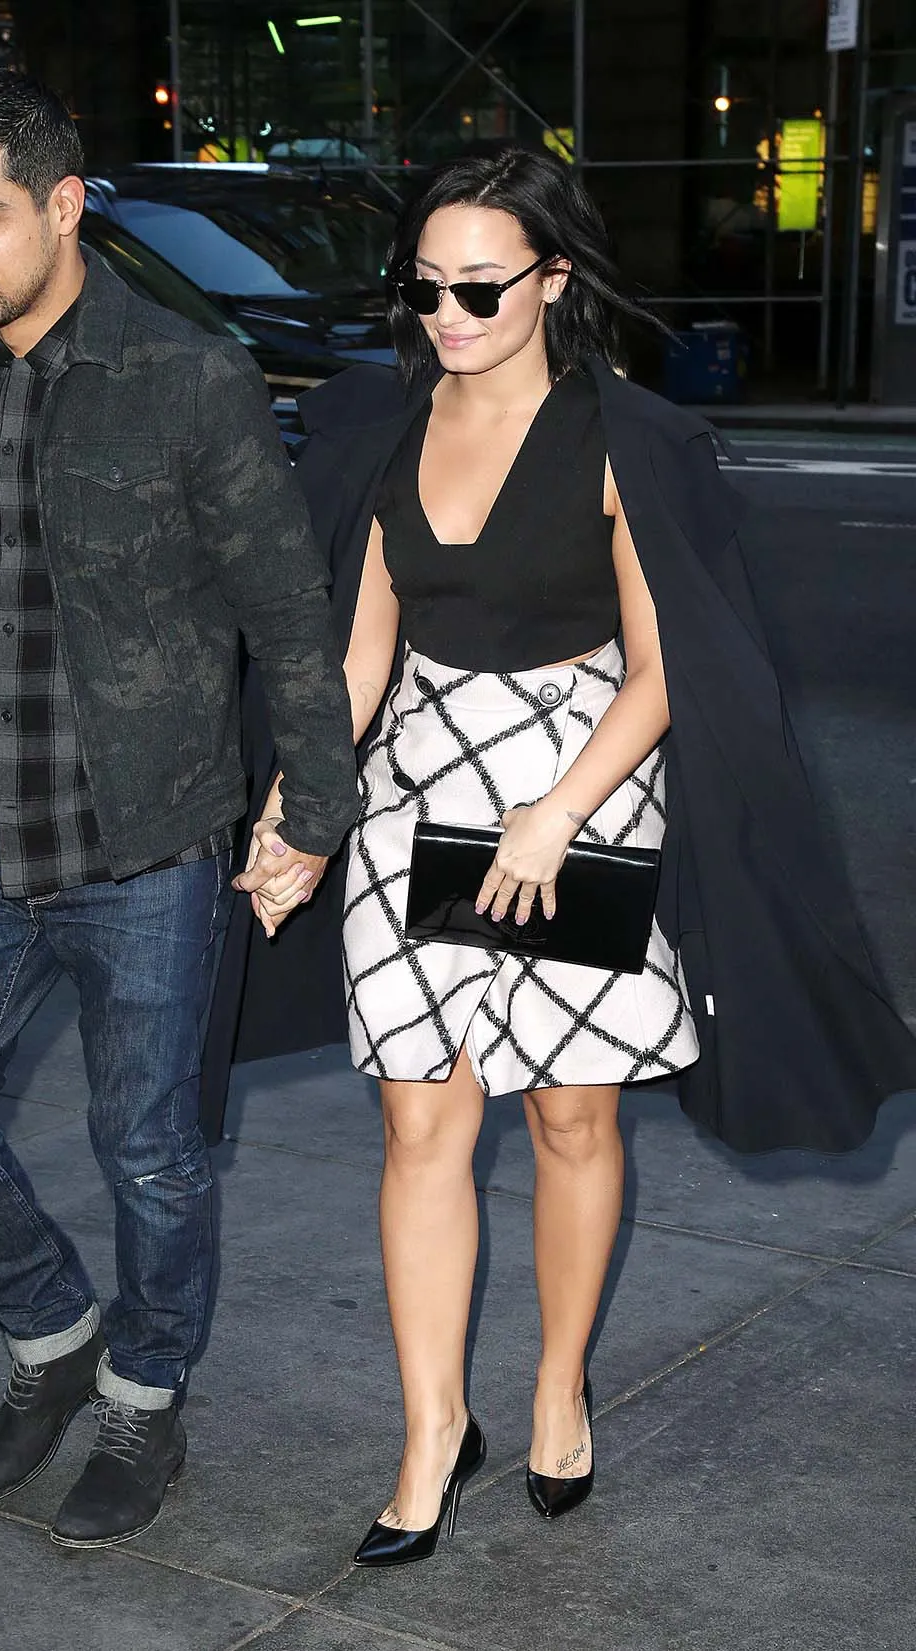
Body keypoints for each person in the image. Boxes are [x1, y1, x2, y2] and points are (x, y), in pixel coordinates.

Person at [237, 148, 916, 1567]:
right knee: (421, 1122)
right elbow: (359, 654)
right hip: (419, 793)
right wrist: (303, 804)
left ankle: (557, 1386)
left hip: (579, 793)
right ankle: (432, 1432)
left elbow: (666, 669)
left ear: (551, 279)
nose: (447, 313)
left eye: (479, 288)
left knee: (568, 1118)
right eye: (423, 286)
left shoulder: (628, 441)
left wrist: (555, 812)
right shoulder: (383, 423)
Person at [0, 67, 359, 1549]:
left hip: (147, 838)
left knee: (148, 1145)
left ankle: (144, 1393)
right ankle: (52, 1333)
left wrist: (311, 808)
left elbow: (289, 610)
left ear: (65, 206)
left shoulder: (188, 377)